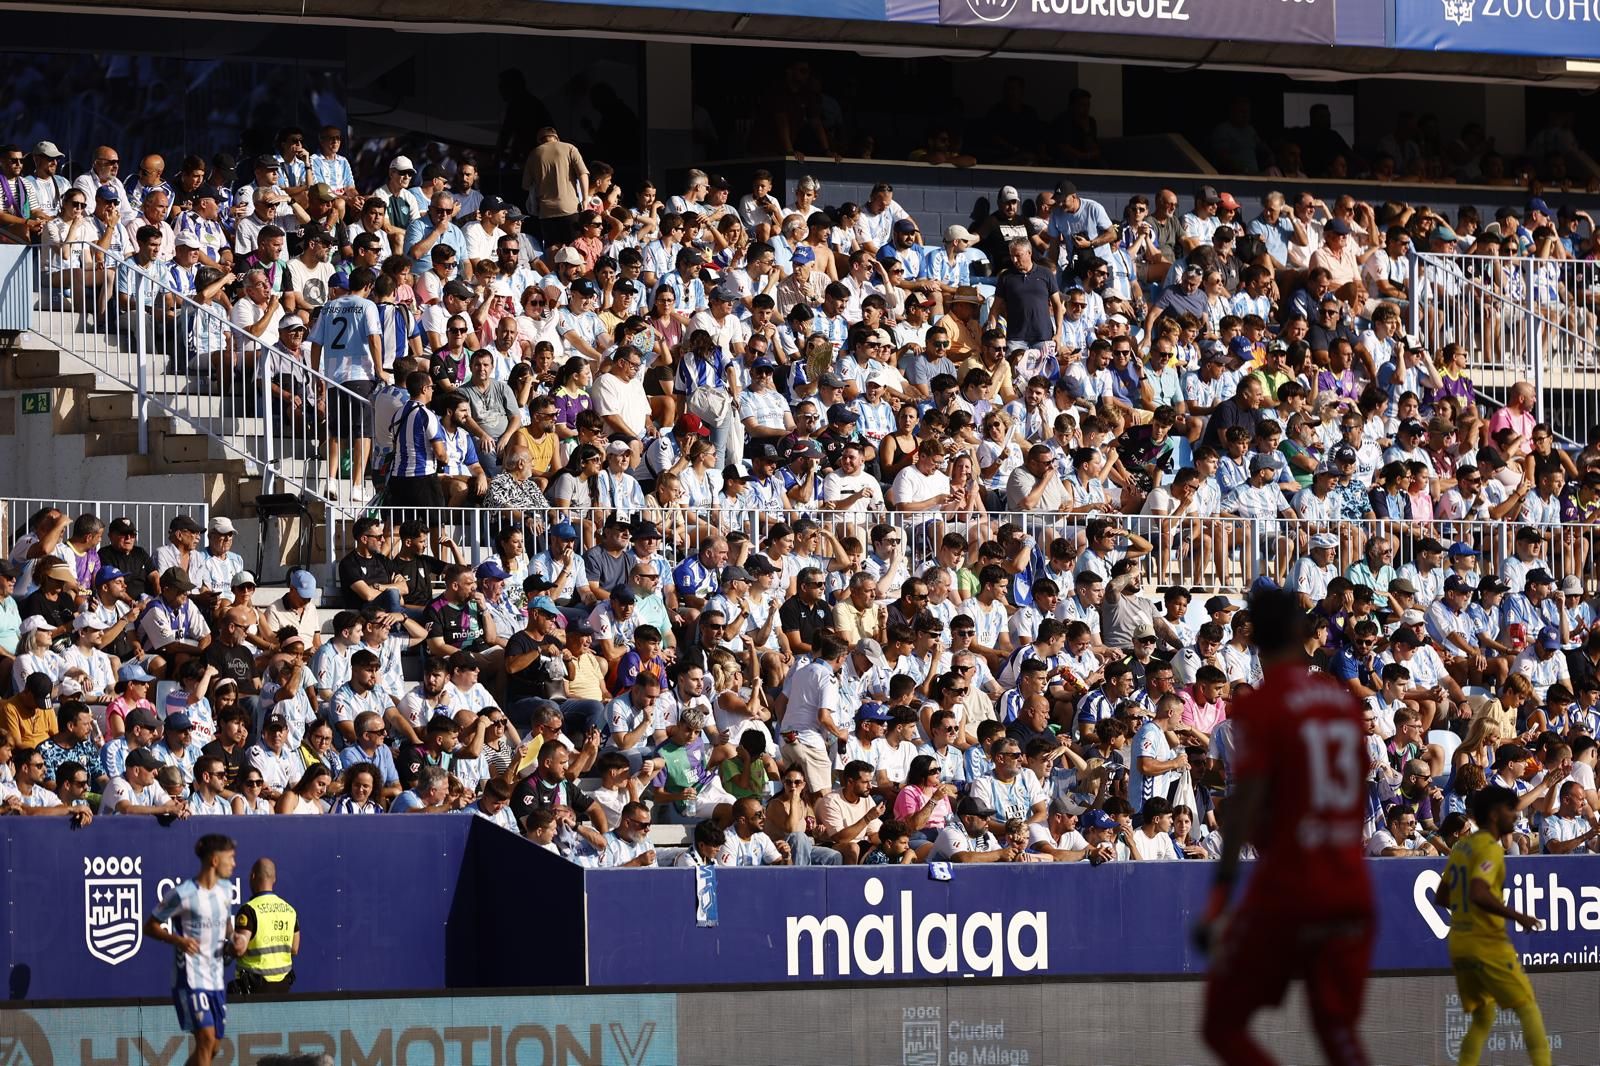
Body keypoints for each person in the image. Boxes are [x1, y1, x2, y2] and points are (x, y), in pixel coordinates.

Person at [1199, 586, 1373, 1066]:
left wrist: (1219, 897)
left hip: (1291, 886)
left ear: (1256, 638)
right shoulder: (1341, 703)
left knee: (1222, 1025)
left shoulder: (1262, 706)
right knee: (1337, 1032)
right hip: (1350, 884)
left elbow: (1247, 804)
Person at [1434, 785, 1551, 1066]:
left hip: (1460, 945)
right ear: (1496, 814)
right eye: (1511, 809)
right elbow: (1478, 891)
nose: (1516, 814)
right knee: (1527, 1007)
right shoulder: (1490, 848)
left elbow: (1442, 896)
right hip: (1486, 942)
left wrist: (1466, 910)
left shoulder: (1463, 847)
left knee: (1484, 1015)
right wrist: (1519, 916)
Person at [144, 834, 237, 1066]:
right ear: (214, 860)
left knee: (214, 1046)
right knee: (206, 1039)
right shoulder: (183, 894)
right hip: (190, 978)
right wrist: (177, 940)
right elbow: (150, 926)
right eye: (230, 858)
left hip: (216, 979)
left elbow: (227, 926)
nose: (234, 864)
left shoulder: (226, 890)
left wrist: (234, 939)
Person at [229, 857, 299, 995]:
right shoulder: (289, 910)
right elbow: (294, 948)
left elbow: (239, 949)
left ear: (252, 876)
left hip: (254, 989)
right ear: (274, 879)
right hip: (283, 987)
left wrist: (227, 945)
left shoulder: (249, 910)